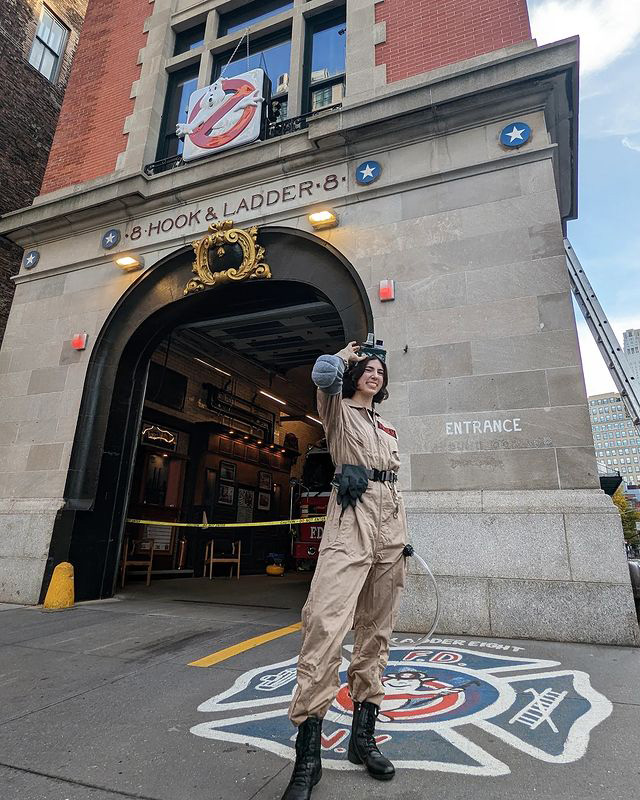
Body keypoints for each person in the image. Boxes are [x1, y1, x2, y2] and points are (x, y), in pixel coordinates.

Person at [281, 341, 408, 800]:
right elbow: (322, 374)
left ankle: (362, 739)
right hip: (350, 521)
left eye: (380, 371)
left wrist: (398, 529)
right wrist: (344, 355)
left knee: (377, 631)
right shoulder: (336, 408)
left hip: (390, 523)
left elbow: (391, 477)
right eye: (367, 369)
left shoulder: (387, 425)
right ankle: (308, 758)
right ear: (355, 375)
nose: (374, 375)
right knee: (325, 624)